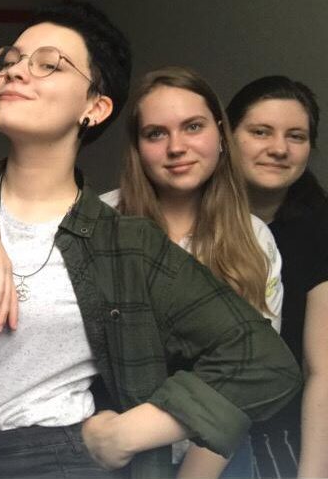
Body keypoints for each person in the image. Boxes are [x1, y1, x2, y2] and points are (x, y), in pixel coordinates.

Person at [0, 3, 300, 479]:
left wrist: (125, 434)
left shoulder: (125, 244)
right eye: (10, 60)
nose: (15, 72)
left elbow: (263, 362)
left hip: (52, 460)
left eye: (48, 63)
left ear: (95, 107)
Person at [103, 66, 284, 478]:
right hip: (114, 452)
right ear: (137, 147)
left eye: (193, 127)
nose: (176, 147)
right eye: (156, 134)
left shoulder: (255, 239)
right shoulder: (100, 220)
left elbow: (246, 381)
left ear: (220, 133)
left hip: (218, 452)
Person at [228, 76, 328, 479]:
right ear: (227, 136)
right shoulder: (188, 216)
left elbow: (323, 370)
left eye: (296, 136)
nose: (279, 148)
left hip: (282, 431)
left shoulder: (319, 230)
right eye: (260, 132)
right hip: (189, 427)